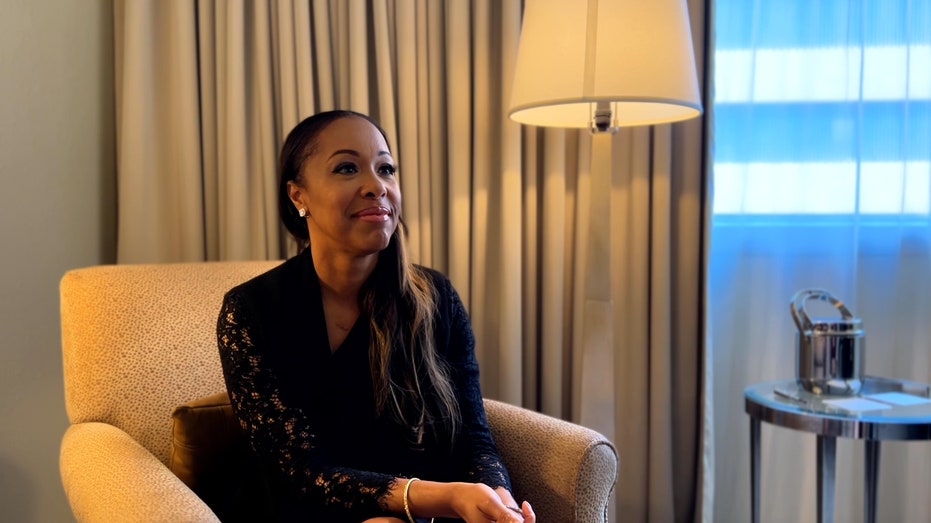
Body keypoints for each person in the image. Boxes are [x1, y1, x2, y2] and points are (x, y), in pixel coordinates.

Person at [217, 109, 535, 523]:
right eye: (347, 168)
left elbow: (475, 441)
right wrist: (441, 497)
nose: (376, 186)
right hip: (306, 510)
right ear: (299, 196)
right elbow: (300, 471)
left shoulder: (436, 298)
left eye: (386, 168)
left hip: (429, 512)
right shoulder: (250, 310)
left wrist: (497, 500)